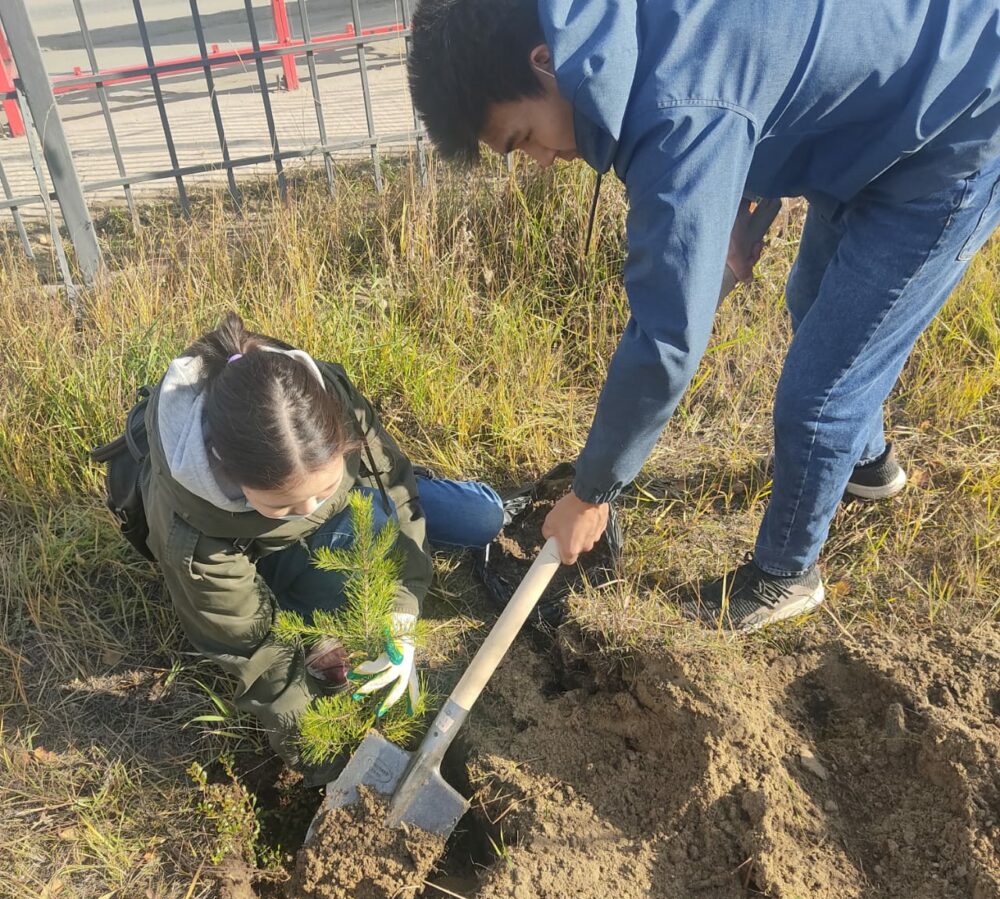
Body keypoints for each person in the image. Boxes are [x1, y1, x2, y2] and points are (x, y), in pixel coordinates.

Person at [407, 0, 1000, 630]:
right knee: (812, 301)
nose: (543, 160)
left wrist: (590, 494)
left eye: (522, 138)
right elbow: (773, 66)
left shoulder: (670, 113)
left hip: (951, 128)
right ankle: (865, 463)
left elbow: (666, 341)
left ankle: (785, 574)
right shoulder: (626, 30)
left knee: (821, 395)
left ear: (545, 62)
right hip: (879, 112)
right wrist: (742, 197)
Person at [138, 313, 503, 772]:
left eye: (323, 488)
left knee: (481, 517)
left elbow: (390, 481)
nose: (309, 508)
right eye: (285, 505)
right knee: (330, 640)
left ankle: (476, 509)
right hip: (263, 556)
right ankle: (305, 598)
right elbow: (256, 651)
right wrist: (327, 752)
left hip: (355, 507)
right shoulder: (194, 537)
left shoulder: (323, 397)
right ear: (227, 471)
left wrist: (400, 608)